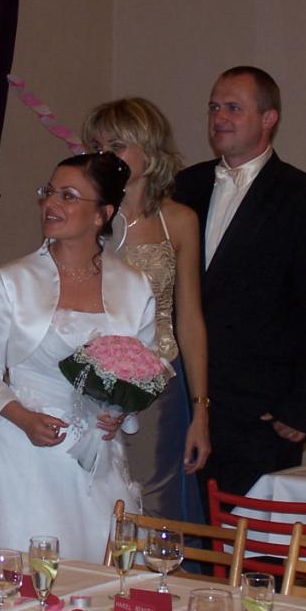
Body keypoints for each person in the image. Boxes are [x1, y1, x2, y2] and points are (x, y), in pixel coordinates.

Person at [0, 151, 155, 562]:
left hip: (96, 457)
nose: (51, 204)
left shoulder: (134, 286)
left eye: (69, 196)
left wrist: (121, 412)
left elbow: (144, 369)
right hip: (24, 452)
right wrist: (23, 417)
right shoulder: (12, 279)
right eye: (49, 192)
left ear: (102, 214)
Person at [173, 66, 306, 498]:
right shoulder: (184, 187)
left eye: (233, 108)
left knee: (247, 532)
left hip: (257, 414)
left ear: (268, 118)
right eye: (214, 107)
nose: (219, 118)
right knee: (180, 527)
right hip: (179, 402)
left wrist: (301, 408)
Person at [82, 98, 209, 523]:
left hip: (160, 387)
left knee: (155, 502)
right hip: (89, 384)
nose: (103, 156)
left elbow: (190, 320)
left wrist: (201, 410)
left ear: (149, 152)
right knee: (92, 498)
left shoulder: (180, 220)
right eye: (96, 146)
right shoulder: (83, 216)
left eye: (116, 146)